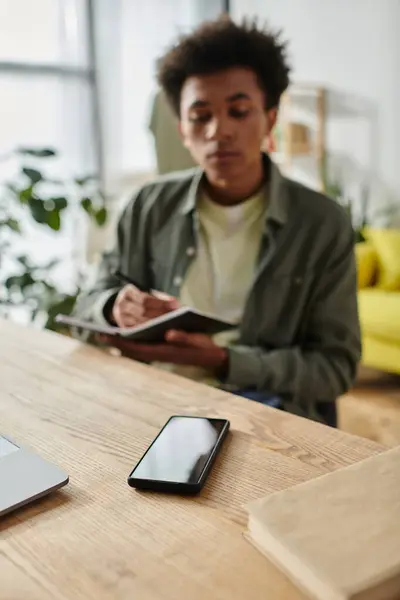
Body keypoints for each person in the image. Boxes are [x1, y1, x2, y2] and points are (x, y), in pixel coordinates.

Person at [74, 17, 361, 426]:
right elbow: (86, 305)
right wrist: (112, 308)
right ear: (183, 131)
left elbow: (334, 368)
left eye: (239, 111)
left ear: (270, 118)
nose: (219, 131)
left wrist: (225, 361)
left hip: (263, 412)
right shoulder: (147, 206)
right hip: (150, 402)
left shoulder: (321, 223)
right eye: (200, 116)